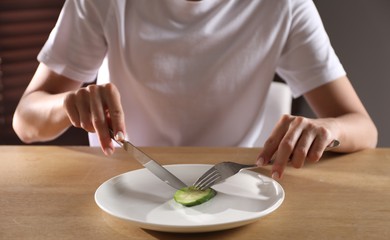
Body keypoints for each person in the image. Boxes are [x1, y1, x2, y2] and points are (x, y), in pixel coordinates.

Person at [12, 0, 377, 179]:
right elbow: (26, 123)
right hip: (120, 185)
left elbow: (363, 127)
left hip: (235, 190)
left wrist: (331, 129)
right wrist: (68, 105)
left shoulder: (284, 6)